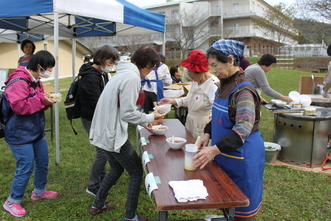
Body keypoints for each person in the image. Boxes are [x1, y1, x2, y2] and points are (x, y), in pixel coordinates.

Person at [88, 45, 166, 221]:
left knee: (116, 168)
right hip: (112, 133)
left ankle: (97, 205)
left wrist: (145, 121)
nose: (150, 72)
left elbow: (123, 108)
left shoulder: (123, 73)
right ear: (146, 64)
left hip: (104, 130)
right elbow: (127, 113)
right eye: (152, 68)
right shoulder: (132, 77)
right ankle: (130, 216)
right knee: (136, 172)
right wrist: (150, 117)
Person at [192, 39, 264, 221]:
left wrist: (214, 150)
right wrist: (207, 134)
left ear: (230, 60)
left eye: (215, 65)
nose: (213, 70)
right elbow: (215, 116)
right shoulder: (223, 85)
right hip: (225, 154)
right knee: (226, 200)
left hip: (243, 157)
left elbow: (241, 130)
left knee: (242, 209)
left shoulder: (244, 91)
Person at [2, 50, 58, 217]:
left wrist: (46, 99)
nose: (49, 71)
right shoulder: (18, 81)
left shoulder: (36, 80)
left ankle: (39, 191)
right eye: (48, 68)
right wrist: (42, 99)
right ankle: (12, 201)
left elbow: (36, 101)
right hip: (18, 133)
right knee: (25, 166)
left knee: (42, 162)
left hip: (35, 130)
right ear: (38, 66)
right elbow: (19, 107)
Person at [77, 45, 120, 197]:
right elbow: (97, 102)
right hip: (91, 118)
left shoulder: (100, 74)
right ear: (101, 59)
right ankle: (93, 185)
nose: (111, 65)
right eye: (110, 61)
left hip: (99, 117)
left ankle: (103, 178)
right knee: (102, 151)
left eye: (113, 62)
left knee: (105, 150)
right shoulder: (90, 77)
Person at [159, 50, 218, 139]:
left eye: (190, 71)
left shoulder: (212, 84)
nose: (188, 75)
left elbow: (216, 108)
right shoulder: (195, 82)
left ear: (199, 71)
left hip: (203, 125)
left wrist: (210, 122)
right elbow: (189, 99)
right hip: (190, 121)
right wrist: (172, 101)